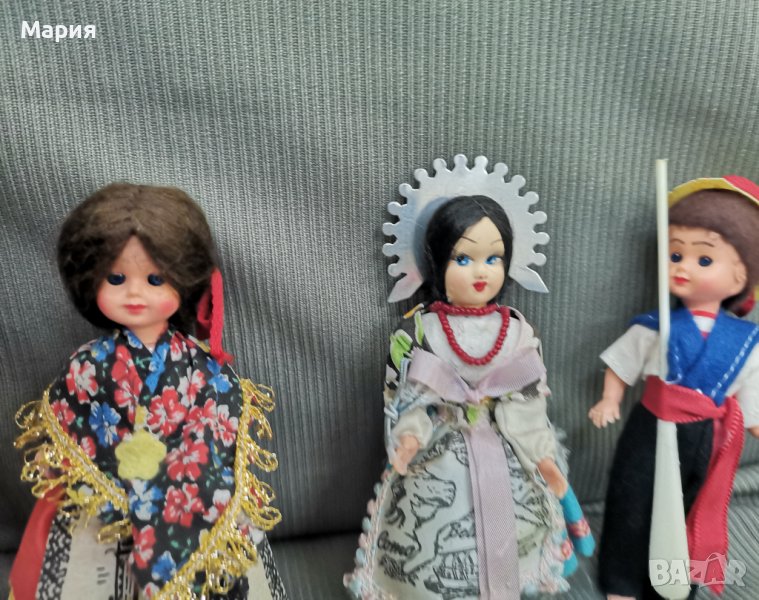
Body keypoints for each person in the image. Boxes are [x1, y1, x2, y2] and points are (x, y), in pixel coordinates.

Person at [11, 183, 286, 599]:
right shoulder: (89, 365)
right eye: (116, 278)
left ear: (185, 280)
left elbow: (218, 412)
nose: (135, 293)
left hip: (189, 489)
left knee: (217, 510)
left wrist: (192, 465)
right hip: (107, 495)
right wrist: (55, 458)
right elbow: (73, 415)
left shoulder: (198, 363)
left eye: (156, 279)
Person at [346, 177, 593, 600]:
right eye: (463, 258)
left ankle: (516, 579)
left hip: (506, 442)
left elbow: (528, 398)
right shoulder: (421, 329)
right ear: (437, 261)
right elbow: (408, 396)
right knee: (432, 522)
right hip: (442, 446)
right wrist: (410, 436)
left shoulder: (515, 331)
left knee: (518, 515)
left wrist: (541, 454)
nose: (481, 271)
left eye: (493, 258)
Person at [589, 176, 759, 600]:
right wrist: (610, 398)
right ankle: (622, 581)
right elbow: (621, 364)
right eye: (675, 254)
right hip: (650, 427)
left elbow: (750, 396)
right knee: (633, 499)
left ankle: (675, 583)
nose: (682, 267)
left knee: (691, 507)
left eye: (704, 259)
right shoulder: (656, 326)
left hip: (705, 437)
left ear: (740, 276)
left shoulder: (745, 341)